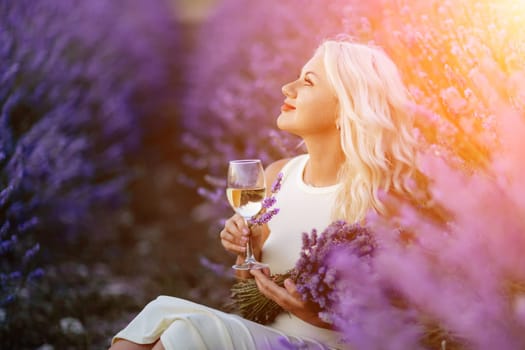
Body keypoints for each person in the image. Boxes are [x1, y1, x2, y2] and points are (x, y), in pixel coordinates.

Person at [109, 38, 416, 350]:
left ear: (346, 107)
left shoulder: (380, 197)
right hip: (273, 338)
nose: (287, 87)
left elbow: (398, 324)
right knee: (156, 317)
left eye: (308, 82)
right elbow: (252, 306)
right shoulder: (278, 177)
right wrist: (247, 252)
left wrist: (319, 316)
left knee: (188, 331)